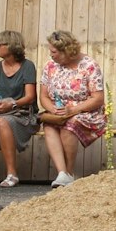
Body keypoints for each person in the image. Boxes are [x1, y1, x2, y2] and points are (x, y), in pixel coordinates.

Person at [38, 29, 105, 187]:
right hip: (59, 112)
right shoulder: (50, 66)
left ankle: (68, 171)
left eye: (54, 52)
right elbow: (44, 96)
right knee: (49, 125)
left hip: (86, 112)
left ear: (66, 51)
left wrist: (73, 110)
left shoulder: (89, 66)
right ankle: (62, 173)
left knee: (70, 125)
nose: (51, 55)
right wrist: (53, 110)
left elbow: (98, 98)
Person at [0, 30, 38, 187]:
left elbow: (30, 96)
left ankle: (12, 174)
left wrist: (11, 104)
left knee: (3, 122)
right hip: (2, 111)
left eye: (0, 44)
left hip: (23, 113)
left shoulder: (27, 66)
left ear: (11, 46)